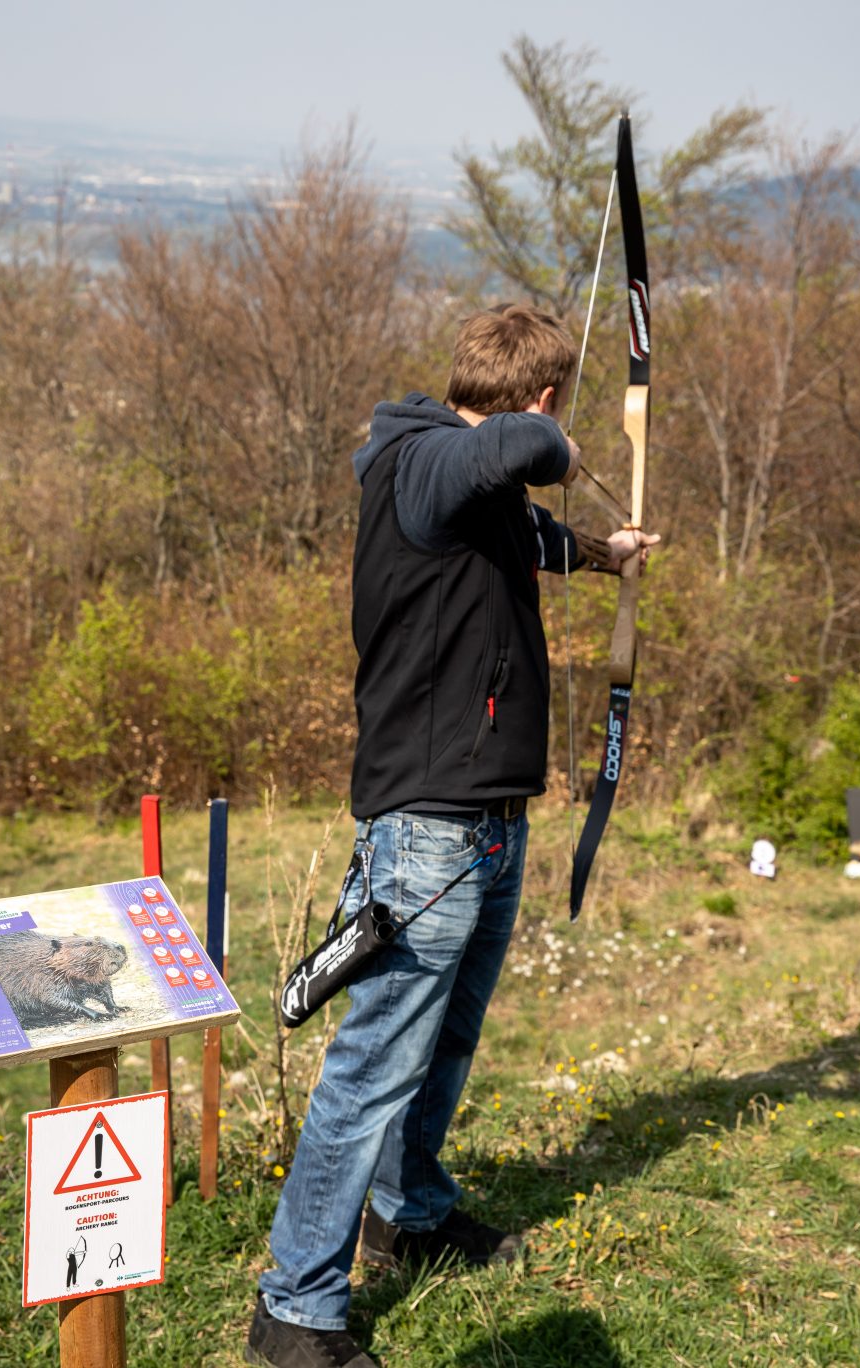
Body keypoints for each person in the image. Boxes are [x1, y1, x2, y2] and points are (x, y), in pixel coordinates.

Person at [247, 304, 659, 1368]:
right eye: (547, 411)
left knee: (444, 1043)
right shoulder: (423, 460)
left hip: (488, 822)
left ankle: (410, 1213)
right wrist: (556, 441)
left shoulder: (478, 498)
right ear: (540, 398)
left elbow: (531, 534)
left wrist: (605, 553)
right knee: (371, 1070)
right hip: (426, 831)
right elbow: (512, 454)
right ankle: (294, 1310)